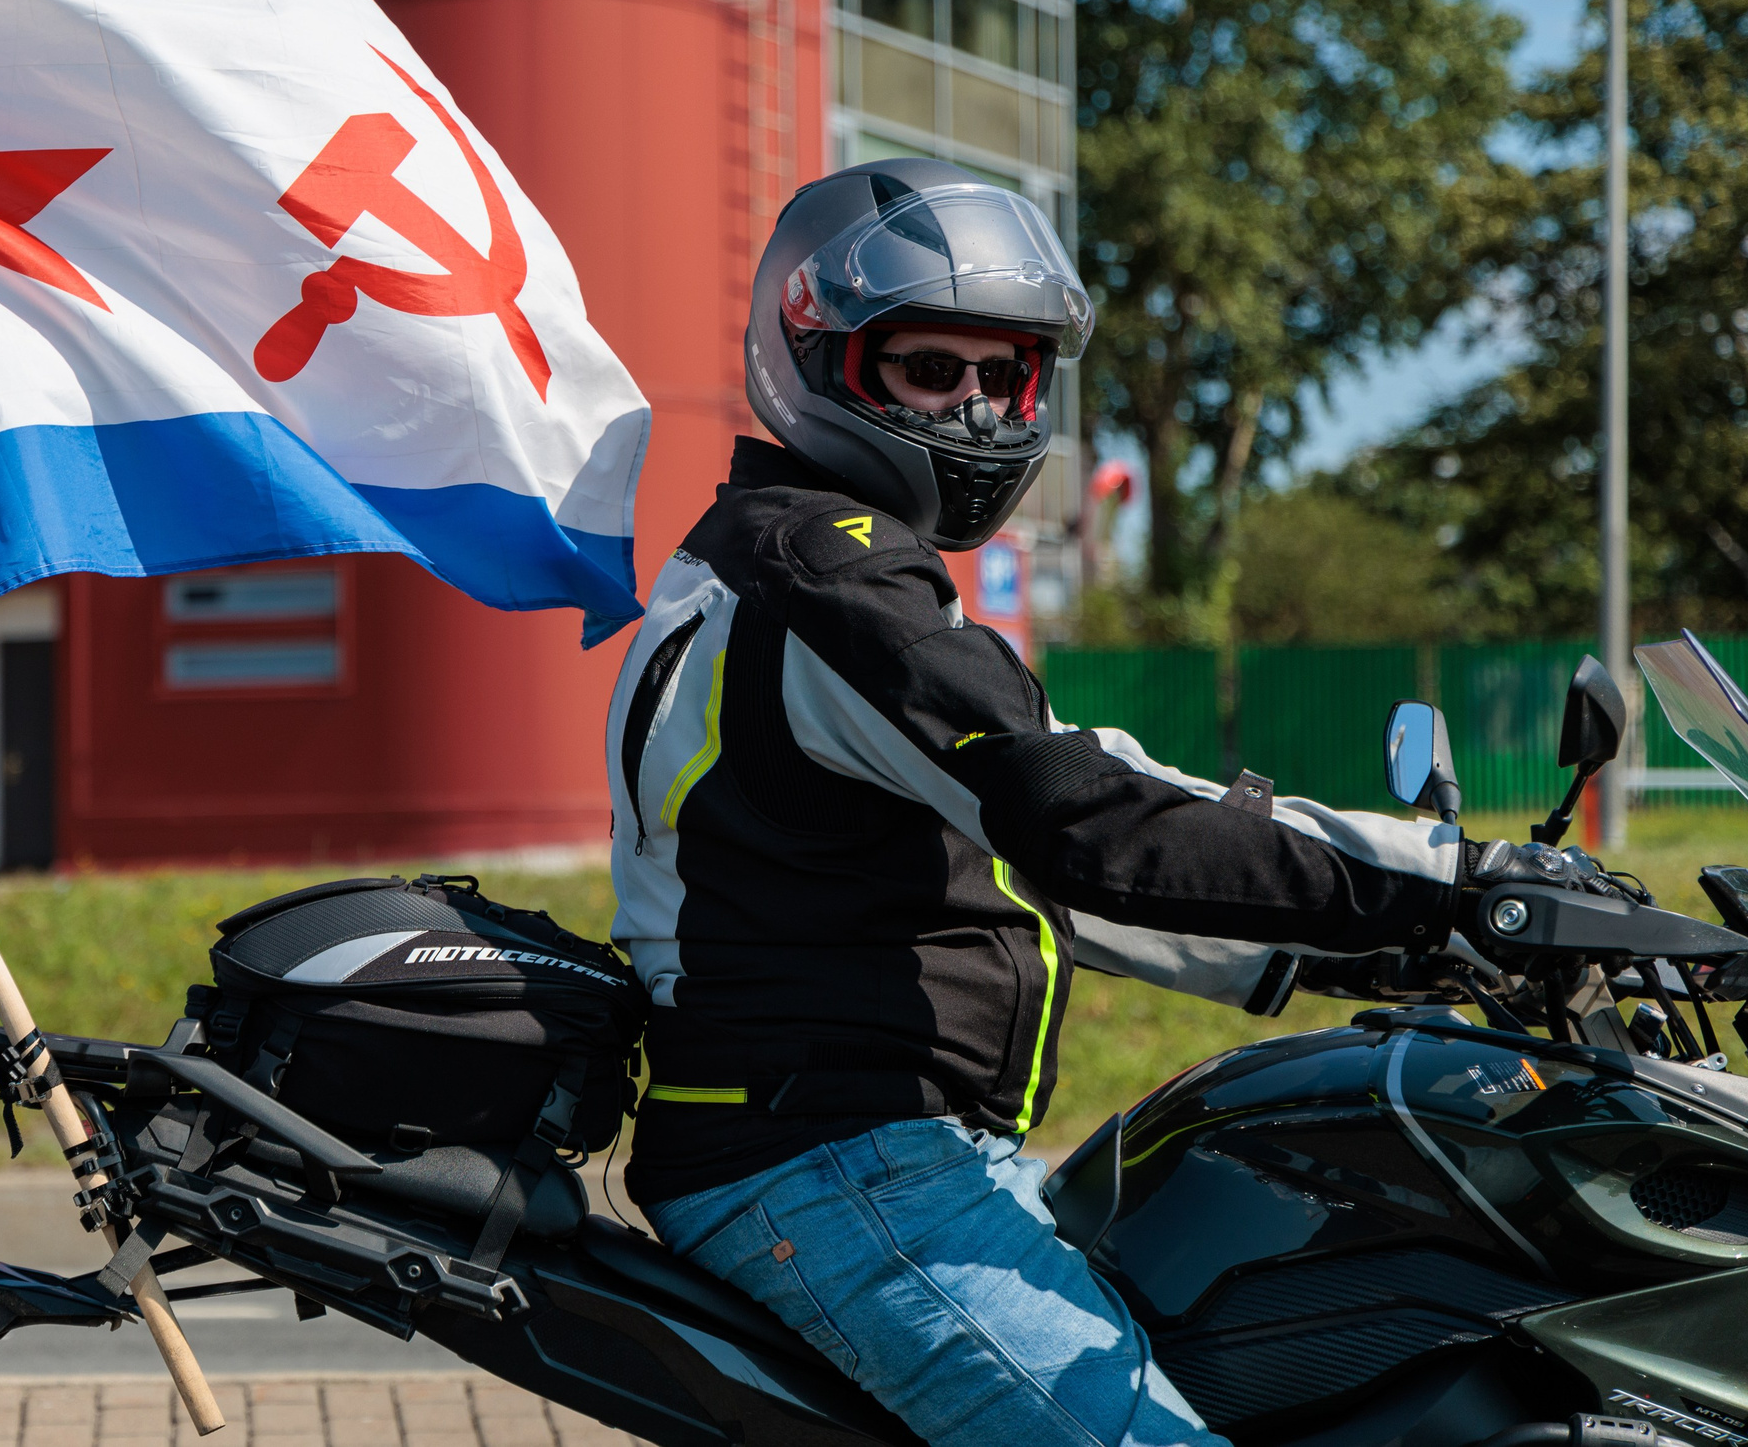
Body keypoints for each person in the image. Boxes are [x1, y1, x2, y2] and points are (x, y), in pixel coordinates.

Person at [603, 157, 1492, 1447]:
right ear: (820, 354)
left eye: (1002, 375)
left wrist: (1398, 917)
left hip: (853, 1150)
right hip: (837, 1168)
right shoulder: (833, 588)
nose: (973, 412)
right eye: (928, 370)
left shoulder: (794, 556)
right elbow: (1083, 828)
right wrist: (1455, 896)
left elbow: (1072, 792)